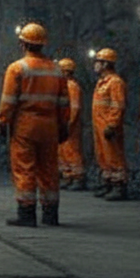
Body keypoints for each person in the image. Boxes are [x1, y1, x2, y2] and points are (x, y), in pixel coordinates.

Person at [0, 23, 69, 227]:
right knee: (49, 168)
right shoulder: (57, 70)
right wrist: (63, 126)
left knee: (25, 168)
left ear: (23, 43)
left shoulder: (17, 68)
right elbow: (64, 102)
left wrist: (3, 122)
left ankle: (27, 213)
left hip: (25, 126)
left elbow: (9, 101)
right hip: (50, 126)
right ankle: (51, 214)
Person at [90, 48, 128, 201]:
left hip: (109, 127)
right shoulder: (101, 83)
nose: (95, 65)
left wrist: (112, 125)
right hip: (100, 126)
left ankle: (119, 186)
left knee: (114, 156)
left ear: (105, 64)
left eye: (98, 62)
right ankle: (108, 183)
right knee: (103, 155)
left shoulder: (115, 82)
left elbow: (118, 105)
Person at [57, 58, 86, 191]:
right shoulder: (63, 85)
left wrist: (69, 123)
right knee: (63, 151)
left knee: (72, 151)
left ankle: (78, 177)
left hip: (70, 126)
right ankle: (68, 176)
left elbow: (74, 107)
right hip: (63, 124)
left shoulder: (72, 86)